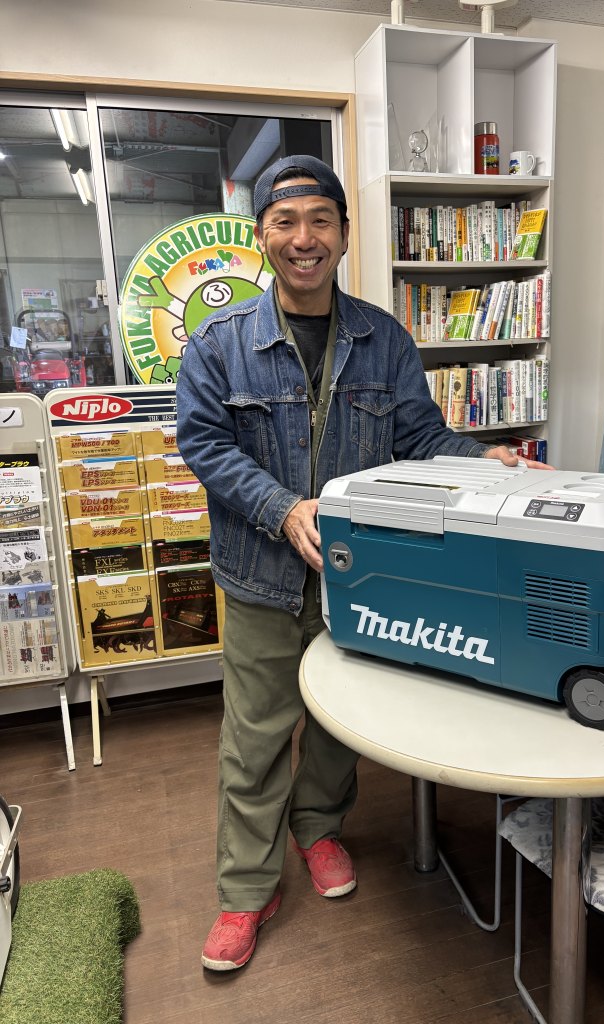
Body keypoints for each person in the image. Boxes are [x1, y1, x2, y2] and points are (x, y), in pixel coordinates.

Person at [176, 154, 552, 973]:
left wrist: (488, 460)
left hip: (358, 569)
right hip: (260, 574)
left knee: (339, 722)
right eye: (285, 222)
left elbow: (420, 438)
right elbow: (203, 444)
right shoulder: (217, 344)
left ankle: (318, 830)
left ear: (345, 235)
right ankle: (245, 890)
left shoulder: (384, 338)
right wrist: (283, 508)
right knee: (255, 737)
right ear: (261, 236)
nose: (303, 238)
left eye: (321, 220)